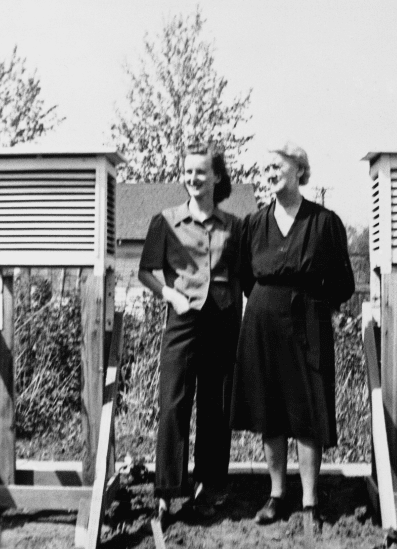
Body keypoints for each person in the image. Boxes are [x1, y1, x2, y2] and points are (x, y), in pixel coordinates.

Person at [230, 140, 355, 530]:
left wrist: (317, 307)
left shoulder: (325, 222)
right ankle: (276, 495)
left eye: (277, 166)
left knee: (308, 411)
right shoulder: (253, 224)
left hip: (308, 324)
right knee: (270, 411)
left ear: (299, 170)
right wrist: (270, 302)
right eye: (266, 168)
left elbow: (343, 282)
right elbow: (245, 277)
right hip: (263, 325)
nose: (270, 173)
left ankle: (310, 501)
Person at [138, 142, 241, 527]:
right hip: (181, 320)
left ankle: (207, 488)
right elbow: (146, 271)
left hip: (222, 322)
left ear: (216, 176)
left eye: (200, 171)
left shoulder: (234, 225)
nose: (193, 178)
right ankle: (167, 491)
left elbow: (242, 277)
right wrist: (170, 295)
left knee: (215, 408)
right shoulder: (165, 221)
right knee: (173, 404)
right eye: (188, 172)